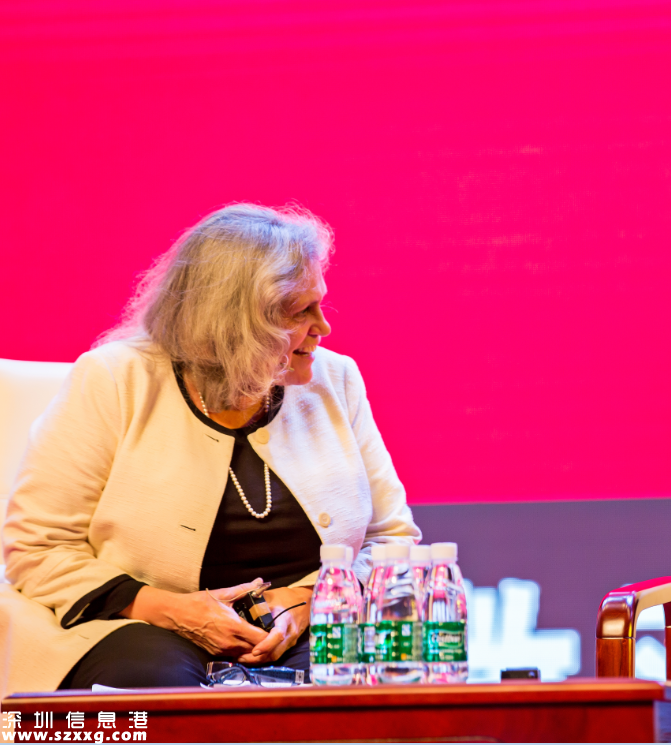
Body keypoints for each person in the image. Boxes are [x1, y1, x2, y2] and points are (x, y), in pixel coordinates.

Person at [1, 204, 421, 692]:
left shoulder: (337, 379)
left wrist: (314, 600)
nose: (323, 327)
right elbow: (38, 547)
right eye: (299, 312)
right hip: (141, 625)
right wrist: (172, 610)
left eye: (319, 305)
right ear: (234, 323)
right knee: (157, 683)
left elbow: (393, 539)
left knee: (347, 681)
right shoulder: (114, 379)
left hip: (312, 625)